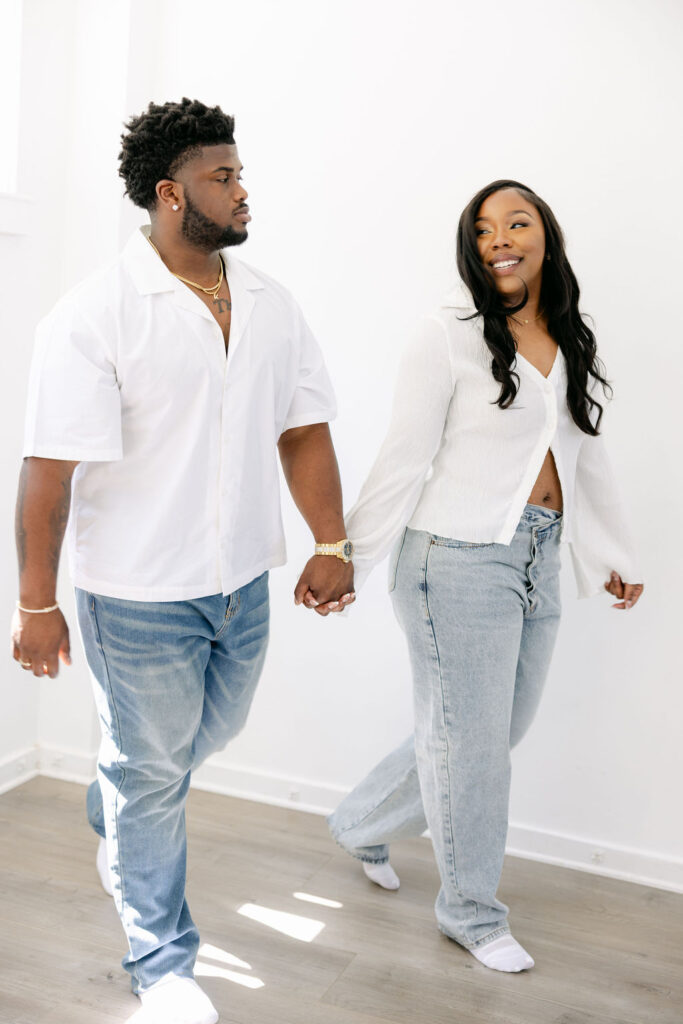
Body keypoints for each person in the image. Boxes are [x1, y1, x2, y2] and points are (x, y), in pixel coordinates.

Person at [11, 98, 355, 1024]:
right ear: (171, 194)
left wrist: (330, 540)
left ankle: (119, 797)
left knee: (189, 747)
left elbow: (304, 427)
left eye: (240, 173)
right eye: (223, 176)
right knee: (156, 777)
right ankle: (162, 964)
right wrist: (37, 605)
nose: (243, 190)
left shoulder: (273, 305)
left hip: (242, 582)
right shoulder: (94, 316)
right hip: (137, 597)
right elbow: (47, 475)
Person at [324, 179, 644, 974]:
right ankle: (469, 912)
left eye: (516, 222)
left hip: (538, 553)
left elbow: (584, 455)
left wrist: (611, 555)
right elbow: (403, 455)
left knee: (489, 732)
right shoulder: (446, 333)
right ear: (471, 249)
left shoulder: (573, 333)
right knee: (471, 749)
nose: (499, 238)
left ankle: (361, 819)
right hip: (453, 560)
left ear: (544, 236)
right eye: (482, 230)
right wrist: (345, 557)